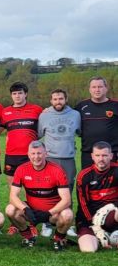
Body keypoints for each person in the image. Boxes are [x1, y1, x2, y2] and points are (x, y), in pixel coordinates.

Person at [5, 141, 73, 251]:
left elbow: (66, 200)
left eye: (39, 153)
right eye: (33, 153)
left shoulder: (57, 170)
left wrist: (48, 213)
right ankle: (28, 237)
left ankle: (58, 239)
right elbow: (13, 196)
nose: (36, 157)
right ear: (28, 155)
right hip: (31, 211)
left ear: (46, 154)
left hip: (52, 213)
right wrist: (25, 209)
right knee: (10, 209)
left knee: (67, 214)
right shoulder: (21, 169)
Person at [38, 88, 81, 238]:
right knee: (49, 191)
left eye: (61, 99)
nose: (58, 102)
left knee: (68, 190)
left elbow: (81, 133)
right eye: (55, 99)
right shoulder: (44, 115)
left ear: (66, 99)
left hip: (68, 159)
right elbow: (38, 135)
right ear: (51, 101)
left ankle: (67, 222)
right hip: (50, 159)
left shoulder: (75, 115)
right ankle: (47, 222)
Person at [75, 142, 118, 252]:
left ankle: (111, 233)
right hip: (89, 219)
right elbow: (82, 203)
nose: (101, 159)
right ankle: (100, 236)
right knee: (88, 249)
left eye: (104, 155)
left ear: (111, 156)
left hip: (112, 215)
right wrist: (94, 225)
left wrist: (111, 206)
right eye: (98, 155)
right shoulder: (84, 175)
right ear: (92, 156)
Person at [1, 81, 43, 192]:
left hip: (31, 155)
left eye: (20, 93)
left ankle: (34, 209)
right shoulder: (5, 112)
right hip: (12, 155)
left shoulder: (37, 110)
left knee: (34, 188)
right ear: (11, 95)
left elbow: (45, 127)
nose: (17, 96)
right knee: (13, 189)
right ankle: (14, 209)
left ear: (26, 94)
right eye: (14, 94)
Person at [76, 76, 118, 168]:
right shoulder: (81, 106)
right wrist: (49, 110)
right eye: (94, 87)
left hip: (110, 154)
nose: (97, 90)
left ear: (106, 88)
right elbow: (65, 114)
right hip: (88, 154)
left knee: (112, 182)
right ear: (89, 89)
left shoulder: (115, 105)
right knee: (88, 181)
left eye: (100, 87)